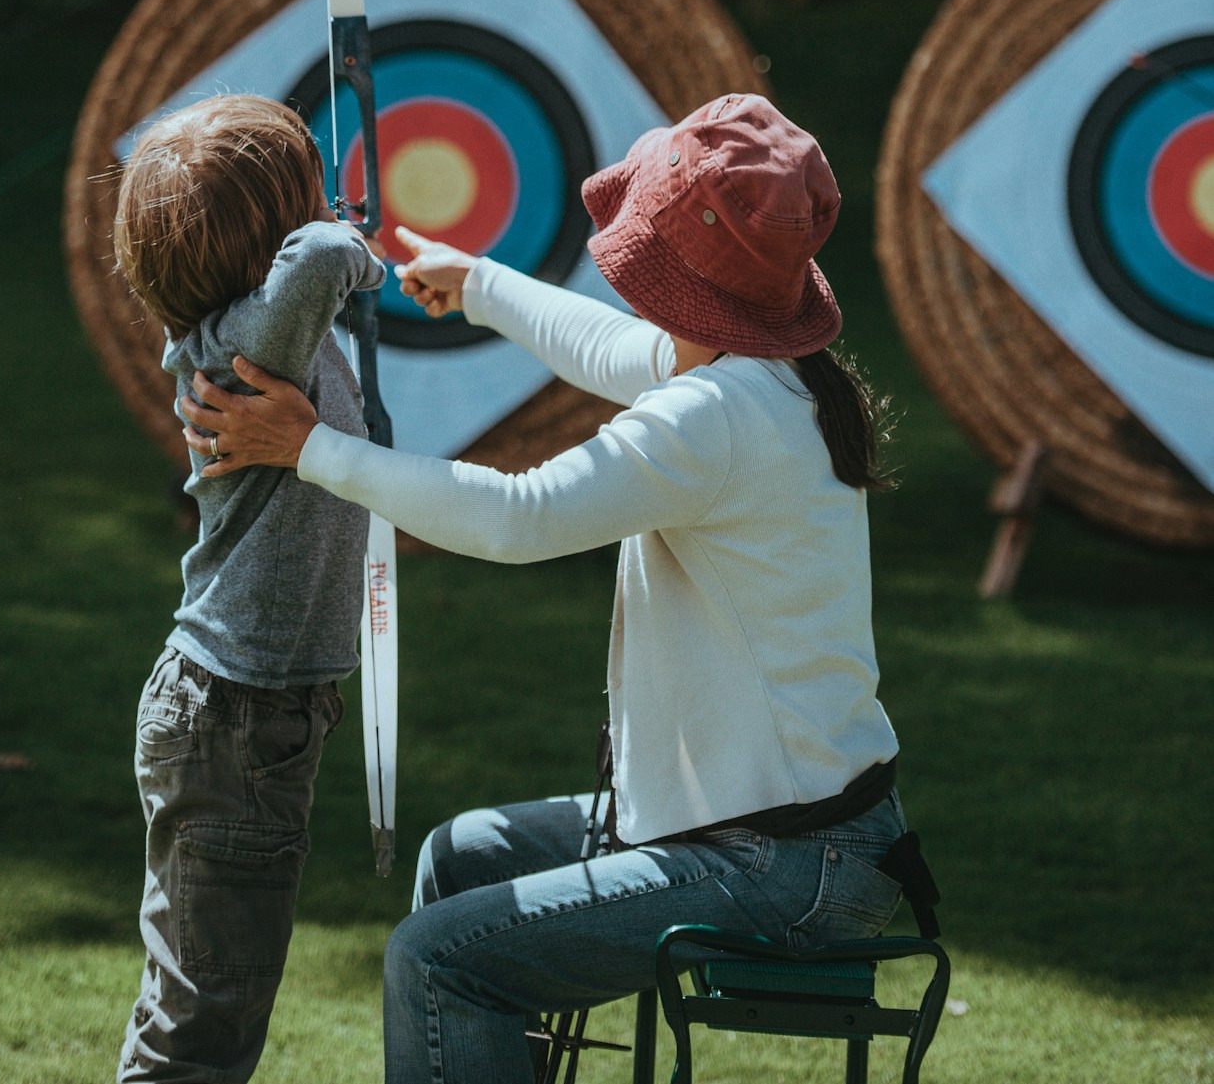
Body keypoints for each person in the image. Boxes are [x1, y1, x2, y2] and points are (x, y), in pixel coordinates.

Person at [183, 93, 913, 1084]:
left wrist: (309, 447)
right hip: (790, 838)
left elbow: (516, 518)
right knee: (463, 853)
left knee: (436, 960)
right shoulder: (767, 371)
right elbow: (617, 349)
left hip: (785, 867)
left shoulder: (716, 416)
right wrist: (479, 282)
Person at [111, 92, 382, 1084]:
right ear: (275, 234)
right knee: (202, 1027)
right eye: (308, 199)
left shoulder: (260, 339)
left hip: (244, 714)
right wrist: (357, 242)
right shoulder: (250, 349)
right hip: (236, 717)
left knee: (207, 1001)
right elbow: (318, 261)